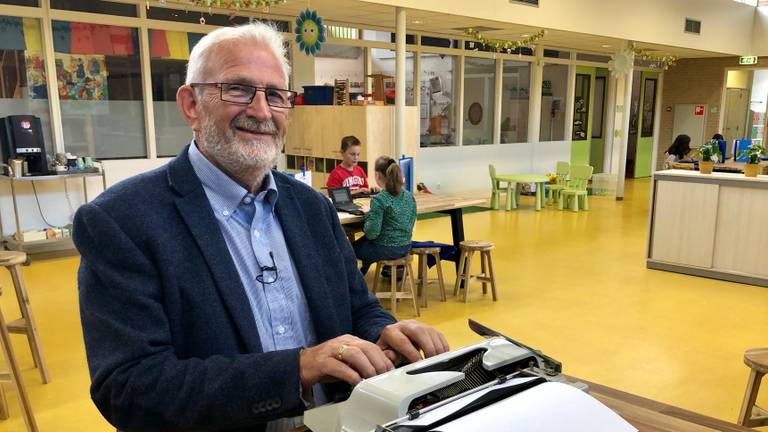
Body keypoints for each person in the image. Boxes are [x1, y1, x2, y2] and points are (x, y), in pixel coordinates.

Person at [73, 23, 448, 432]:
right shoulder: (122, 222)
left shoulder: (310, 207)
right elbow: (130, 389)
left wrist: (386, 334)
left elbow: (358, 308)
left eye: (275, 95)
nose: (261, 110)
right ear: (191, 104)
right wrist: (296, 371)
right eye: (237, 89)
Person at [353, 156, 417, 276]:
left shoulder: (379, 199)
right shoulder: (409, 196)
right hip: (406, 246)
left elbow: (372, 233)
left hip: (386, 248)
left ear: (377, 175)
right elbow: (411, 221)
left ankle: (354, 285)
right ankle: (359, 281)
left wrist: (369, 214)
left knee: (350, 250)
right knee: (364, 246)